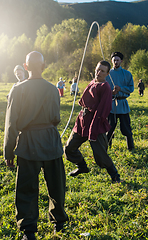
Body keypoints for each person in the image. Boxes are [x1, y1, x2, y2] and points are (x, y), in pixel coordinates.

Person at [3, 51, 68, 240]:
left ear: (25, 67)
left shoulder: (17, 89)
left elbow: (10, 124)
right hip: (50, 140)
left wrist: (8, 151)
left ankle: (28, 231)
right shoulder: (52, 89)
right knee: (56, 185)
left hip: (28, 143)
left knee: (26, 188)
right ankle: (59, 223)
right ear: (43, 66)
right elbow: (56, 117)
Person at [64, 60, 121, 183]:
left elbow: (102, 110)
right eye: (97, 69)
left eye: (102, 71)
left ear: (107, 73)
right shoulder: (93, 81)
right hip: (82, 122)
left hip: (96, 124)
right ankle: (82, 166)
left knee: (100, 156)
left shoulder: (105, 86)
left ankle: (115, 175)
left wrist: (93, 129)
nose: (98, 72)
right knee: (69, 148)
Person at [106, 52, 134, 150]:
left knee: (126, 128)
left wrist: (120, 88)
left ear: (121, 61)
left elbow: (131, 88)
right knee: (109, 128)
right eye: (114, 60)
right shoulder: (108, 74)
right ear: (111, 61)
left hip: (122, 105)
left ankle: (130, 147)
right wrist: (111, 92)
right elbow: (103, 88)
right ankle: (106, 147)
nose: (116, 62)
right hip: (111, 105)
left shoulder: (127, 74)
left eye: (118, 60)